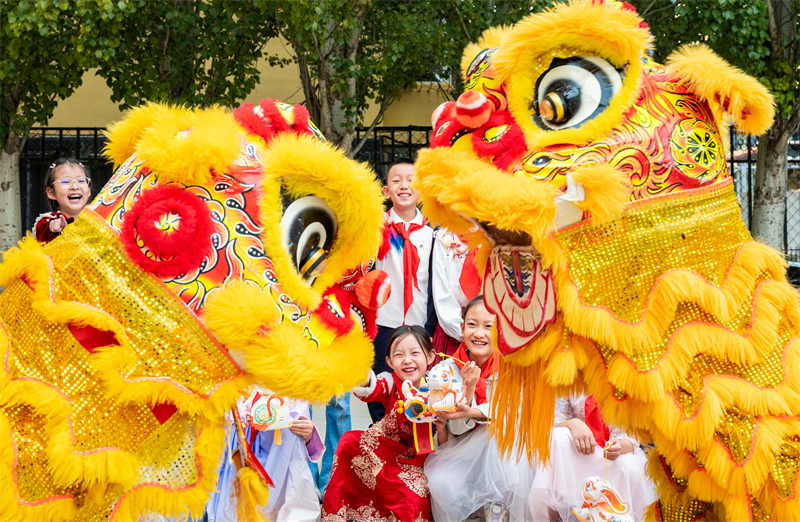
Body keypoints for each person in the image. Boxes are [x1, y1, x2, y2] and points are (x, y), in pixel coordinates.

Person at [425, 296, 534, 522]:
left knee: (494, 441)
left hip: (503, 455)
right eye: (472, 325)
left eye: (489, 327)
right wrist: (469, 388)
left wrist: (470, 409)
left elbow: (512, 414)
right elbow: (449, 426)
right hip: (458, 450)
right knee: (440, 482)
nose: (479, 333)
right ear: (462, 328)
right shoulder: (442, 371)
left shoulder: (511, 369)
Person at [321, 325, 443, 522]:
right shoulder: (390, 381)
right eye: (399, 354)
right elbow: (373, 390)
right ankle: (340, 512)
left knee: (411, 498)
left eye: (415, 353)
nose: (407, 360)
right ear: (389, 361)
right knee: (349, 441)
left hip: (421, 459)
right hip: (384, 451)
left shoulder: (438, 386)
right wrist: (362, 375)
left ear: (430, 357)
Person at [371, 158, 436, 422]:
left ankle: (416, 446)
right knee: (379, 387)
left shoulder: (433, 233)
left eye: (410, 180)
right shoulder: (375, 229)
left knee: (421, 389)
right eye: (396, 180)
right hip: (384, 322)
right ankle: (380, 436)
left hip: (420, 322)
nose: (403, 185)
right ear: (386, 191)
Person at [529, 395, 656, 522]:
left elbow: (632, 435)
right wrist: (573, 424)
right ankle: (557, 514)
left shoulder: (620, 384)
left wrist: (619, 445)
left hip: (612, 456)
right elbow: (552, 423)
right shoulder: (570, 381)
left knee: (629, 467)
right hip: (578, 452)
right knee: (557, 436)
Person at [207, 397, 324, 522]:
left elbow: (298, 435)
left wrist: (307, 433)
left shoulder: (289, 389)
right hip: (235, 452)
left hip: (277, 459)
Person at [430, 228, 482, 358]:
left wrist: (488, 327)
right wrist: (461, 330)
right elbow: (441, 288)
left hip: (489, 328)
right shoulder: (444, 238)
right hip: (453, 325)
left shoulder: (495, 236)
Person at [33, 158, 91, 243]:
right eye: (65, 182)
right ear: (51, 193)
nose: (75, 187)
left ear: (89, 189)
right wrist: (54, 233)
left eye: (81, 180)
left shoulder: (102, 219)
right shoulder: (47, 223)